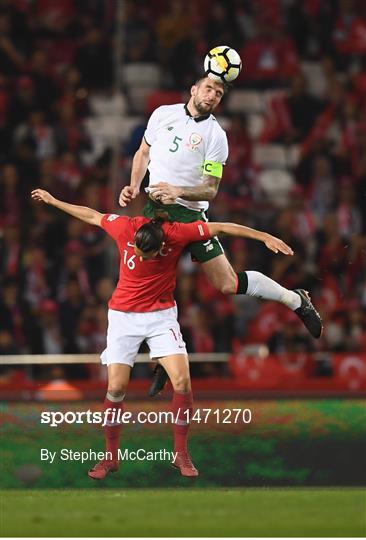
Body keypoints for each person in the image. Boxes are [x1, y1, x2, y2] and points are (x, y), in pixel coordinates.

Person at [31, 187, 294, 479]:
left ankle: (181, 455)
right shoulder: (126, 227)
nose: (142, 259)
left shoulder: (178, 233)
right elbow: (92, 216)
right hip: (123, 317)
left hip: (160, 316)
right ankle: (110, 458)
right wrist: (54, 201)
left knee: (182, 381)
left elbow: (221, 226)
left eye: (149, 255)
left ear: (161, 247)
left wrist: (265, 236)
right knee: (116, 388)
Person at [118, 75, 323, 394]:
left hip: (188, 213)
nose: (213, 95)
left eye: (219, 92)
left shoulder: (215, 136)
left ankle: (296, 299)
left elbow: (211, 189)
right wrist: (133, 184)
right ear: (193, 89)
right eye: (208, 88)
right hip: (154, 212)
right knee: (146, 286)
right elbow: (143, 153)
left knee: (226, 284)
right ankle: (162, 360)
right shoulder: (162, 114)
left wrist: (179, 190)